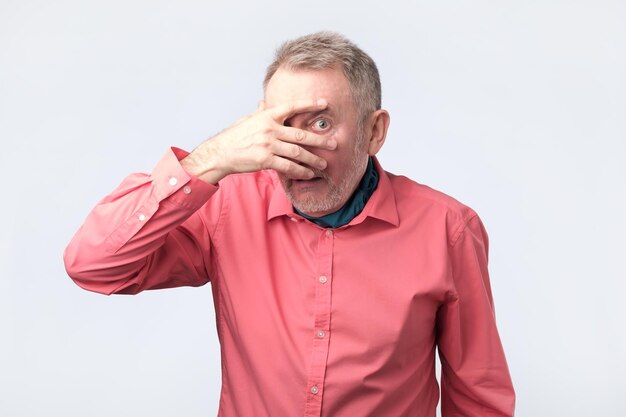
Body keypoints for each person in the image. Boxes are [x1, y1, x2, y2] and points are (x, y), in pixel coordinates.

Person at [64, 31, 515, 417]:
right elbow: (94, 264)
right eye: (282, 125)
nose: (297, 151)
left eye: (321, 123)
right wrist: (210, 160)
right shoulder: (225, 208)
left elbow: (478, 397)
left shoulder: (448, 229)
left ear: (374, 132)